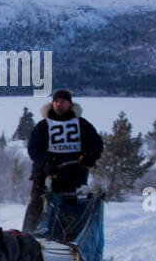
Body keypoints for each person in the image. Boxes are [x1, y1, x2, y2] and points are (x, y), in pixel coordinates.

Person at [23, 89, 102, 232]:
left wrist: (90, 155)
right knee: (37, 200)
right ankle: (28, 233)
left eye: (63, 101)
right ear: (52, 104)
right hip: (45, 172)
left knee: (68, 205)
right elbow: (34, 149)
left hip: (72, 172)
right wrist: (45, 163)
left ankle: (65, 235)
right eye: (56, 101)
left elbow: (95, 143)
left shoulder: (82, 124)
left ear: (70, 105)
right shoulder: (43, 125)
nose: (59, 104)